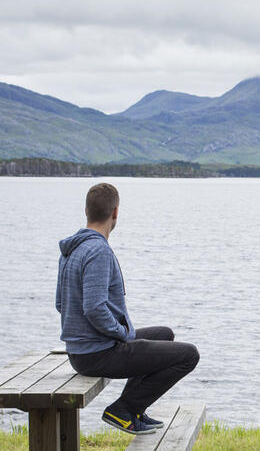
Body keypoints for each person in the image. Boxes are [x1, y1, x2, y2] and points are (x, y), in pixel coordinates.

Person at [56, 183, 200, 435]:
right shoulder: (98, 251)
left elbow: (60, 303)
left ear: (87, 211)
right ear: (115, 213)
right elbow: (94, 308)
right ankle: (122, 410)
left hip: (81, 352)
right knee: (189, 355)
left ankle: (134, 409)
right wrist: (121, 334)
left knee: (164, 334)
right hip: (97, 353)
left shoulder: (72, 250)